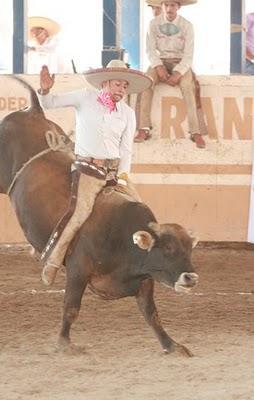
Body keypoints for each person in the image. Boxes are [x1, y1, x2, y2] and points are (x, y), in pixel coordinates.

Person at [37, 59, 152, 285]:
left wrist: (123, 175)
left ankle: (147, 259)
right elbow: (49, 103)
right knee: (79, 212)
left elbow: (126, 148)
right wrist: (45, 89)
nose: (122, 90)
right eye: (118, 85)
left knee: (140, 209)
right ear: (106, 82)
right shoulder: (84, 97)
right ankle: (53, 260)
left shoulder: (127, 113)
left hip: (114, 171)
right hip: (87, 169)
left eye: (125, 87)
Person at [136, 0, 206, 149]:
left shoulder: (187, 25)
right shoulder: (153, 24)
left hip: (180, 61)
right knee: (146, 82)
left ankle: (195, 132)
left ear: (178, 7)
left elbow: (189, 54)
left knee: (188, 86)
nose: (169, 8)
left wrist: (178, 72)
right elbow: (150, 50)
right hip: (159, 60)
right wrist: (159, 66)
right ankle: (144, 128)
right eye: (166, 5)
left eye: (173, 5)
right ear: (161, 6)